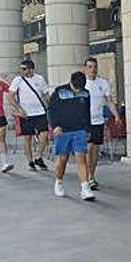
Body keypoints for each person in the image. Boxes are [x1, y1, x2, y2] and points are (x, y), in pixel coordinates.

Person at [47, 71, 94, 201]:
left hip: (79, 130)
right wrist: (55, 126)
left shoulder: (86, 93)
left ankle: (85, 188)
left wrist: (88, 129)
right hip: (63, 131)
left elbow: (87, 112)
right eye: (76, 88)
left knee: (81, 158)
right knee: (63, 159)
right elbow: (51, 110)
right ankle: (59, 182)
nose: (78, 90)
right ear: (71, 82)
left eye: (81, 88)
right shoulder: (59, 92)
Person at [83, 57, 121, 190]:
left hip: (98, 121)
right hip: (86, 122)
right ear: (85, 68)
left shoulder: (103, 83)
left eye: (94, 67)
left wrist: (116, 115)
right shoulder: (82, 83)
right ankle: (87, 177)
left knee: (95, 151)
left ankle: (92, 176)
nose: (92, 69)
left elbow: (109, 101)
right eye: (89, 67)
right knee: (89, 149)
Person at [8, 59, 50, 171]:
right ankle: (30, 161)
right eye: (21, 69)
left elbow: (46, 95)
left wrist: (51, 107)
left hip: (40, 112)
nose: (22, 71)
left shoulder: (39, 79)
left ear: (31, 69)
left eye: (25, 69)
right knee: (28, 138)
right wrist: (19, 109)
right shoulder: (18, 80)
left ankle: (39, 156)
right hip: (26, 114)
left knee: (44, 134)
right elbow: (10, 96)